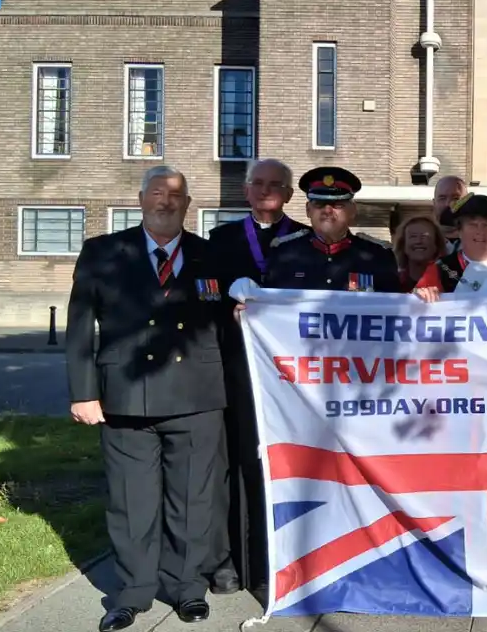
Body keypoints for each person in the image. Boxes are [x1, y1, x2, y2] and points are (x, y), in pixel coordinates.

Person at [66, 165, 227, 632]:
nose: (166, 201)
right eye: (157, 193)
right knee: (130, 501)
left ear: (187, 205)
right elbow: (79, 328)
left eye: (176, 195)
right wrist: (83, 393)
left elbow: (232, 324)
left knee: (193, 500)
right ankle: (133, 592)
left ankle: (186, 587)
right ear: (140, 200)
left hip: (197, 398)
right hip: (125, 398)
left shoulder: (210, 255)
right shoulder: (103, 252)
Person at [204, 158, 309, 599]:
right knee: (238, 462)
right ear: (246, 191)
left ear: (288, 194)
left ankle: (278, 561)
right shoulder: (221, 239)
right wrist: (223, 306)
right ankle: (233, 561)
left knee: (284, 465)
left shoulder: (306, 240)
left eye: (276, 185)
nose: (267, 191)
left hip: (291, 378)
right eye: (259, 183)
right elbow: (204, 295)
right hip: (239, 368)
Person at [252, 166, 403, 293]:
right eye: (319, 204)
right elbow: (269, 307)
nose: (328, 210)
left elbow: (395, 311)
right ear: (308, 210)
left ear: (353, 211)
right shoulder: (284, 252)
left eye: (338, 204)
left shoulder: (378, 255)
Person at [412, 193, 487, 300]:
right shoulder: (439, 269)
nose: (480, 231)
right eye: (473, 225)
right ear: (459, 231)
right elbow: (414, 308)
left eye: (486, 225)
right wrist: (421, 295)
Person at [431, 174, 487, 255]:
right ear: (434, 203)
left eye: (456, 198)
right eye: (442, 198)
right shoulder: (422, 243)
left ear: (466, 202)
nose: (448, 204)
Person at [392, 215, 446, 293]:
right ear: (403, 244)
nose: (419, 241)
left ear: (436, 244)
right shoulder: (391, 282)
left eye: (425, 236)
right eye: (413, 236)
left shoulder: (450, 281)